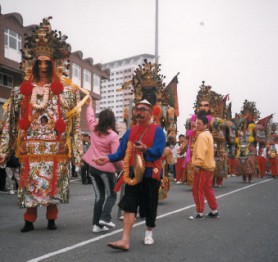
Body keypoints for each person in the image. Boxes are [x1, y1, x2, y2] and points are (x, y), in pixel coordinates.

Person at [0, 17, 83, 232]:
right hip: (31, 148)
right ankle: (29, 219)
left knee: (53, 183)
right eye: (40, 62)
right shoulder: (20, 92)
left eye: (48, 62)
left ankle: (52, 217)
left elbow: (72, 124)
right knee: (30, 184)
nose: (44, 66)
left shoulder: (65, 93)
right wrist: (4, 149)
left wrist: (77, 152)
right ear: (33, 64)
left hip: (55, 148)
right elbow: (9, 122)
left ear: (54, 63)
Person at [95, 99, 165, 251]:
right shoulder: (130, 131)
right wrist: (107, 158)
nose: (139, 112)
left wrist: (146, 150)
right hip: (134, 174)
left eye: (143, 109)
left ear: (150, 112)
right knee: (129, 205)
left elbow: (159, 151)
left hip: (150, 174)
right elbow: (120, 153)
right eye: (137, 109)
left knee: (150, 205)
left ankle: (149, 232)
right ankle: (125, 239)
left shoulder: (157, 131)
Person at [82, 97, 123, 233]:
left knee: (99, 196)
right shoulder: (113, 136)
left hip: (92, 167)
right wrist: (123, 168)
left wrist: (89, 105)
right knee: (111, 195)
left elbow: (90, 118)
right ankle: (105, 218)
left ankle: (96, 225)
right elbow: (116, 156)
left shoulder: (94, 129)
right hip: (106, 169)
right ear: (112, 121)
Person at [189, 110, 219, 219]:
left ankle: (200, 212)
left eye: (199, 123)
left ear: (206, 124)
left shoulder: (202, 136)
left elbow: (201, 153)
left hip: (202, 167)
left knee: (197, 189)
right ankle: (214, 210)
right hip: (208, 166)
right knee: (207, 189)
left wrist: (197, 165)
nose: (197, 125)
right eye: (196, 123)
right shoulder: (208, 134)